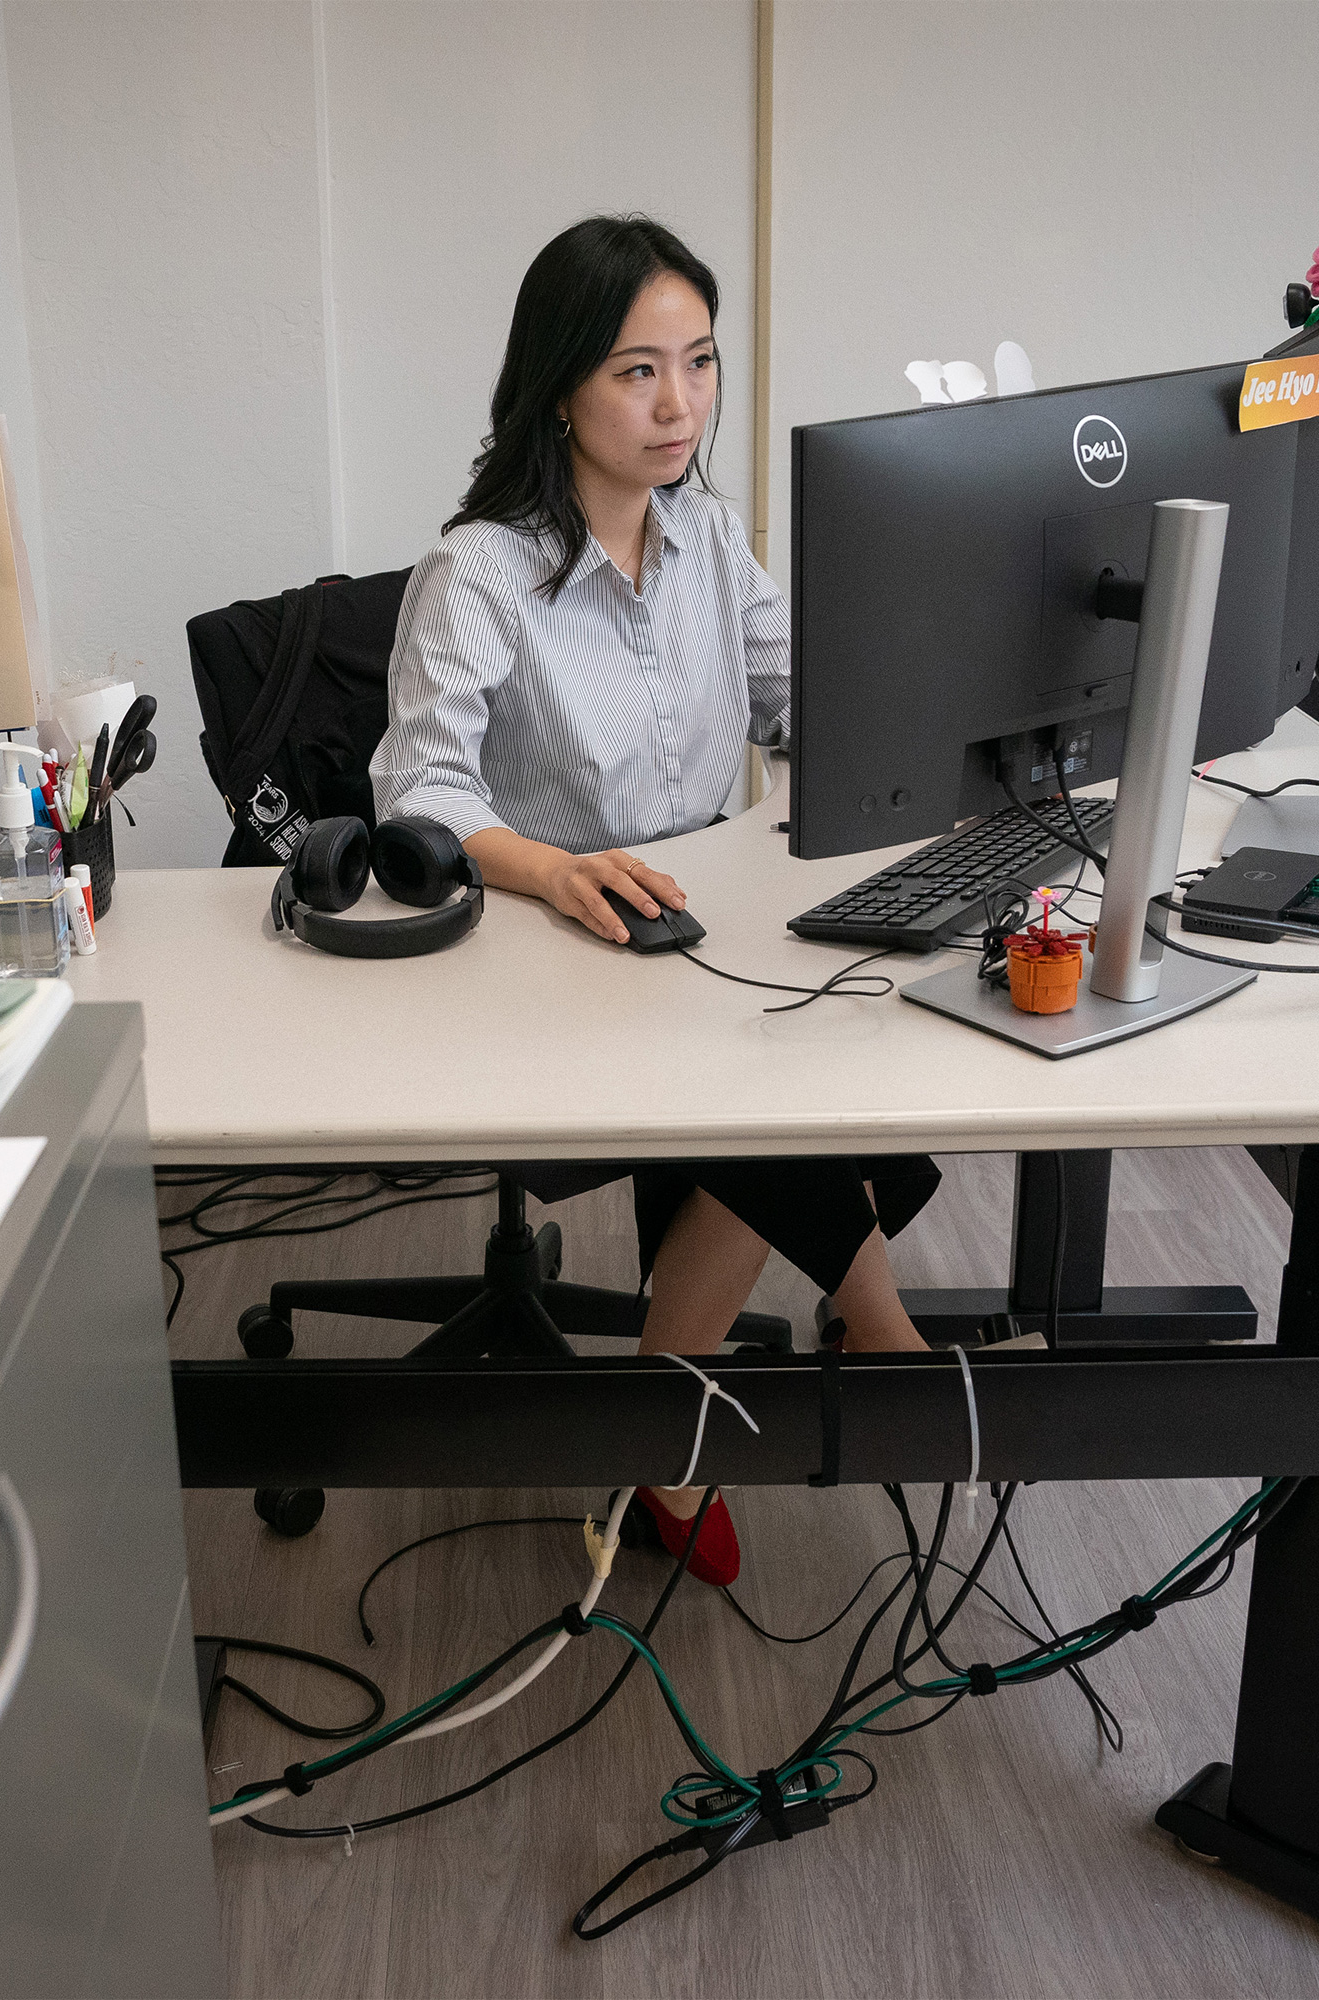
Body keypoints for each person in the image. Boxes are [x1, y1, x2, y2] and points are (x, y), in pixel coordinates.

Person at [369, 215, 936, 1589]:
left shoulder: (707, 535)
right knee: (771, 1093)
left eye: (700, 362)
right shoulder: (481, 572)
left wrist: (959, 719)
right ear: (560, 383)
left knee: (835, 1031)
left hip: (696, 927)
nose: (680, 404)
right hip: (548, 949)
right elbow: (417, 793)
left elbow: (808, 698)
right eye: (637, 371)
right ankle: (885, 1337)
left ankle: (673, 1437)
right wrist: (555, 870)